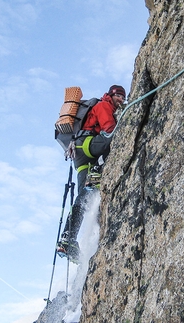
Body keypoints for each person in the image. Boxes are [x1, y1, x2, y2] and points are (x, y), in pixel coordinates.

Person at [57, 85, 126, 261]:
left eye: (123, 98)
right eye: (119, 96)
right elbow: (109, 129)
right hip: (86, 146)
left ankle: (67, 239)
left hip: (80, 154)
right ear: (111, 95)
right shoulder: (104, 105)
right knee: (113, 136)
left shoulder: (106, 105)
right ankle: (97, 169)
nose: (121, 100)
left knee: (84, 197)